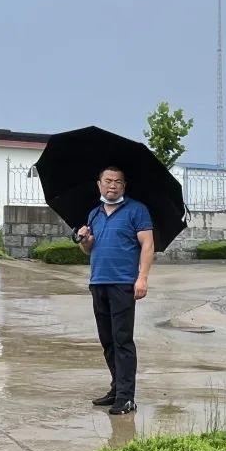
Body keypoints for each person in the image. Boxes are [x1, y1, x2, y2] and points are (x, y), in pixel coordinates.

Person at [74, 166, 154, 415]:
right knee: (107, 341)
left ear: (124, 185)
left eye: (117, 181)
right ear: (99, 184)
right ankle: (116, 387)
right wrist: (84, 239)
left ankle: (127, 397)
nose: (112, 185)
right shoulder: (94, 213)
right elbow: (88, 250)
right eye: (107, 181)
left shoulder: (136, 210)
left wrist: (142, 278)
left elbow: (148, 244)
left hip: (123, 283)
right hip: (98, 282)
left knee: (122, 340)